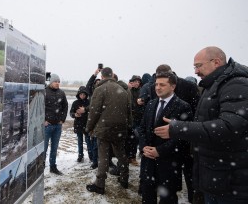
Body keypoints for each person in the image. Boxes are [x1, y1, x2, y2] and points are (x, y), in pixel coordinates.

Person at [154, 46, 248, 203]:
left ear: (216, 62)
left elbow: (229, 127)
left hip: (231, 181)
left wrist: (179, 128)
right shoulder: (212, 86)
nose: (196, 72)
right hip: (216, 173)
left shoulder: (236, 84)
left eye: (198, 66)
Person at [138, 64, 200, 203]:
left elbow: (184, 138)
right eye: (156, 84)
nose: (158, 87)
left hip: (169, 163)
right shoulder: (150, 104)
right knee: (147, 197)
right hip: (148, 162)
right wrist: (144, 147)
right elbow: (142, 129)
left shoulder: (183, 106)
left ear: (173, 87)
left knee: (168, 199)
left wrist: (160, 151)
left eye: (162, 85)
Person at [86, 67, 132, 195]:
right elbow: (129, 112)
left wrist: (89, 128)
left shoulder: (100, 89)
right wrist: (128, 126)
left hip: (104, 130)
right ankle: (124, 178)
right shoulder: (123, 90)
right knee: (121, 154)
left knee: (103, 158)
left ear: (102, 76)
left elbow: (94, 112)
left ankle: (100, 185)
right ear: (112, 75)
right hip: (120, 129)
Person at [44, 73, 68, 175]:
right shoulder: (44, 92)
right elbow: (40, 107)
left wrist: (62, 119)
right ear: (51, 82)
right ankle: (40, 168)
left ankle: (53, 167)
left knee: (54, 148)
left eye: (58, 82)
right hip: (47, 125)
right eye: (55, 81)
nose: (57, 83)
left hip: (58, 125)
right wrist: (43, 120)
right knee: (43, 149)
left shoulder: (61, 93)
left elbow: (65, 107)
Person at [69, 86, 93, 162]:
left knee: (88, 141)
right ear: (78, 95)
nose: (82, 96)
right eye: (81, 94)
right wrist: (75, 114)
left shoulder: (89, 102)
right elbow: (71, 113)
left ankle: (91, 155)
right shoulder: (75, 103)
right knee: (80, 141)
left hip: (87, 124)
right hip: (78, 124)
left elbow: (92, 112)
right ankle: (80, 156)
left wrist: (85, 111)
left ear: (86, 95)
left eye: (84, 94)